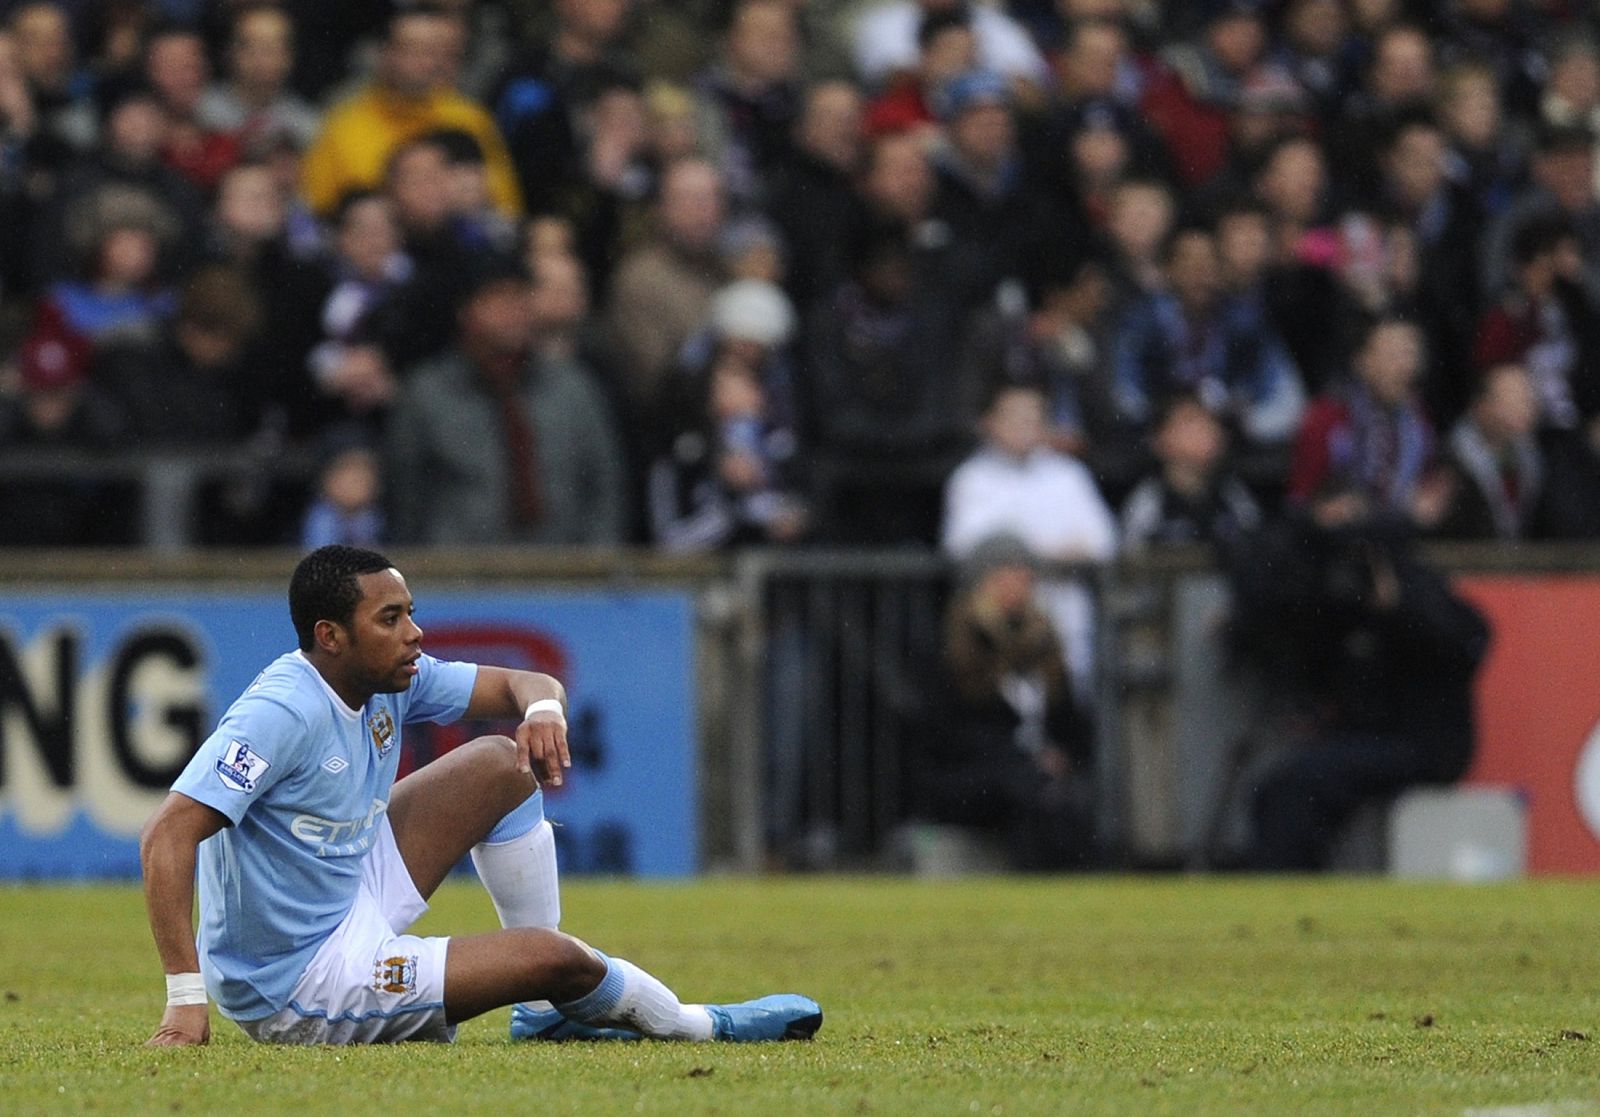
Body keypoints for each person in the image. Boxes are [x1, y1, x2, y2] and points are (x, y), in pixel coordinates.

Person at [140, 544, 823, 1046]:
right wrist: (184, 998)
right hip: (298, 978)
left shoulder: (390, 677)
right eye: (391, 618)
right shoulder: (281, 712)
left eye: (411, 612)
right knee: (552, 960)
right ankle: (700, 1025)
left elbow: (525, 685)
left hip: (349, 891)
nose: (415, 634)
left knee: (505, 760)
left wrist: (545, 713)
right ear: (331, 635)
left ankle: (548, 1014)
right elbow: (169, 833)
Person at [924, 532, 1097, 870]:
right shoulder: (955, 646)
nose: (1020, 581)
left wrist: (1058, 754)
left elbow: (1071, 725)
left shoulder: (1044, 643)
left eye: (1023, 572)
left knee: (1057, 795)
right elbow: (947, 737)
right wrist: (1019, 759)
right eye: (1007, 572)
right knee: (1028, 791)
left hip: (1033, 777)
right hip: (974, 780)